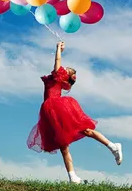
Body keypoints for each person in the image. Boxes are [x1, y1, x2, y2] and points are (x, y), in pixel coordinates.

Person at [27, 42, 123, 184]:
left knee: (86, 131)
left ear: (64, 76)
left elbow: (57, 61)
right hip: (50, 112)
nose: (62, 69)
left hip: (58, 108)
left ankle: (113, 146)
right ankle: (73, 177)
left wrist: (58, 49)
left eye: (65, 70)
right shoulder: (55, 78)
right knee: (63, 145)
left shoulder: (57, 77)